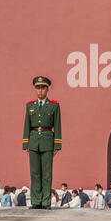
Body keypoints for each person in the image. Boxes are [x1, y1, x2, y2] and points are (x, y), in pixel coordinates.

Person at [23, 76, 62, 210]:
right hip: (33, 141)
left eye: (43, 88)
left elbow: (57, 125)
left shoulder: (54, 105)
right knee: (34, 173)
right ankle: (36, 201)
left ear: (47, 89)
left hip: (47, 140)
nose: (40, 91)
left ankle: (45, 202)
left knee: (46, 173)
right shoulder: (29, 106)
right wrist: (26, 144)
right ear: (35, 89)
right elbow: (26, 126)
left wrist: (57, 144)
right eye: (38, 88)